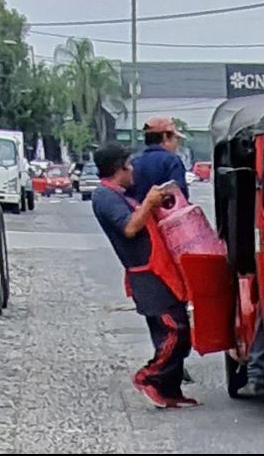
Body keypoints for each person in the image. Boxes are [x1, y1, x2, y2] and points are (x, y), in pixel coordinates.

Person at [91, 143, 198, 409]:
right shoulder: (105, 196)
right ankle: (149, 376)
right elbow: (129, 228)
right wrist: (149, 202)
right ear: (120, 168)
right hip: (147, 274)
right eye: (129, 166)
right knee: (173, 330)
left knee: (180, 331)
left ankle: (170, 389)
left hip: (159, 269)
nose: (133, 171)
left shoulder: (122, 194)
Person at [131, 116, 189, 204]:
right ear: (165, 137)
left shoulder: (133, 161)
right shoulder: (171, 161)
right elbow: (179, 195)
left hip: (138, 211)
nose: (177, 143)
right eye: (176, 138)